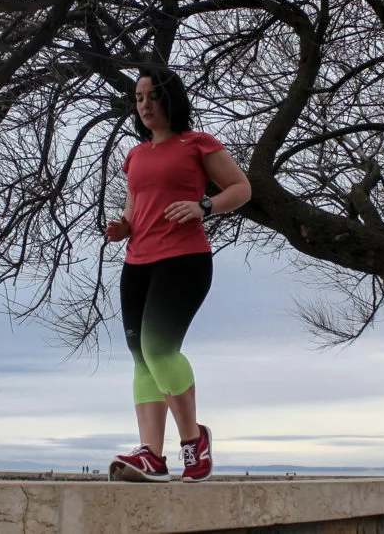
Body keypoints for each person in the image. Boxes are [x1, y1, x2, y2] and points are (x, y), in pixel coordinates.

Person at [106, 66, 252, 483]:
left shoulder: (197, 143)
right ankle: (151, 454)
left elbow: (241, 188)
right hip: (137, 262)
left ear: (171, 98)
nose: (145, 105)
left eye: (153, 96)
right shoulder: (135, 155)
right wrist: (123, 227)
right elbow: (135, 210)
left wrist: (204, 206)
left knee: (159, 349)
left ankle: (193, 440)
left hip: (184, 259)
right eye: (138, 98)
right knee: (140, 358)